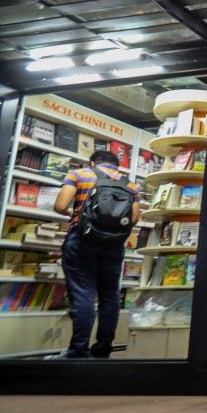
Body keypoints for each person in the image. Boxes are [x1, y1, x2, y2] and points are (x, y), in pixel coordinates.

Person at [48, 150, 141, 359]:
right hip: (114, 244)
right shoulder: (131, 185)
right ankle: (103, 349)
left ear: (92, 162)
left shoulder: (78, 174)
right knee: (110, 296)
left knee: (84, 294)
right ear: (117, 165)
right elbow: (133, 219)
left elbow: (60, 206)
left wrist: (78, 214)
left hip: (82, 240)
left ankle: (78, 350)